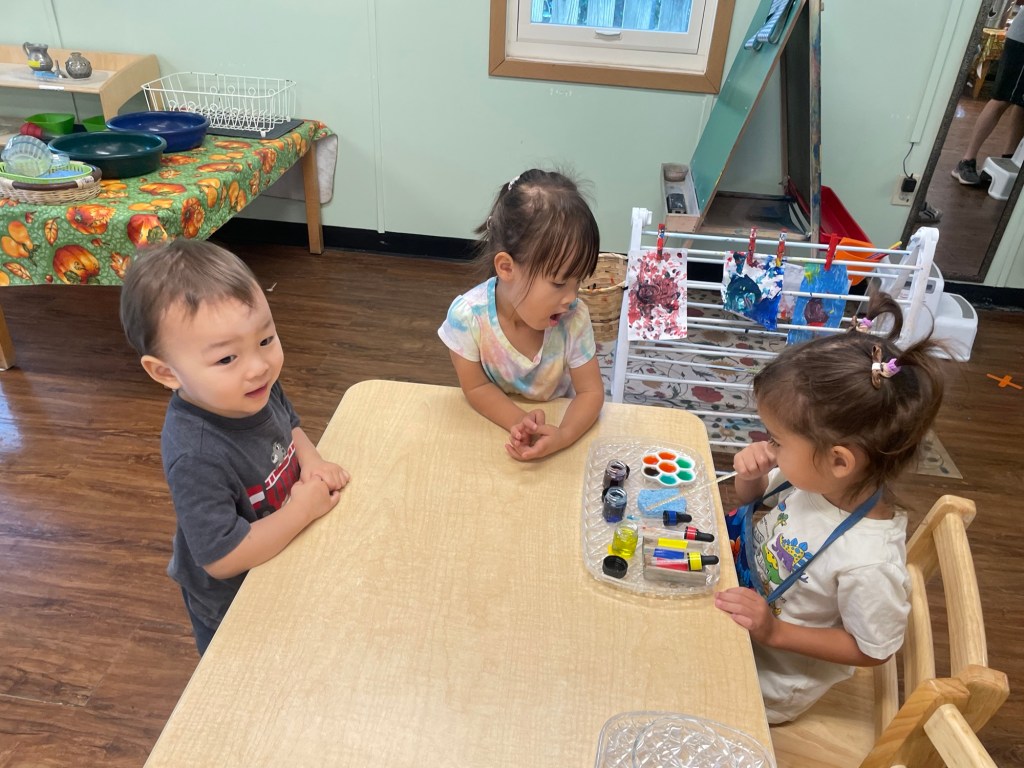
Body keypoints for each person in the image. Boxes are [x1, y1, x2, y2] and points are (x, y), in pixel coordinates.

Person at [714, 291, 945, 724]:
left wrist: (774, 631)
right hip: (738, 608)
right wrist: (750, 476)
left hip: (765, 681)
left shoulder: (868, 562)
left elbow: (873, 649)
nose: (768, 447)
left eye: (777, 441)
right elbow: (750, 501)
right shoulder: (816, 481)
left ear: (839, 461)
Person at [119, 239, 350, 655]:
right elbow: (222, 556)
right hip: (233, 605)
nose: (259, 366)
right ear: (166, 373)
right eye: (227, 359)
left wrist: (313, 462)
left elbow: (289, 427)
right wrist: (301, 510)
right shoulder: (196, 454)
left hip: (283, 559)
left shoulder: (256, 388)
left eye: (266, 339)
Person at [438, 169, 605, 461]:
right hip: (489, 438)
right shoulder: (468, 318)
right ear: (506, 267)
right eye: (559, 283)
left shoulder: (574, 318)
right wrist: (519, 421)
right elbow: (476, 387)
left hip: (559, 424)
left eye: (578, 281)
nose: (572, 297)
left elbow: (591, 392)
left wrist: (564, 435)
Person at [952, 1, 1024, 185]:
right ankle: (966, 160)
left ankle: (1008, 160)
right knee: (1001, 99)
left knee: (1021, 103)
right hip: (1021, 41)